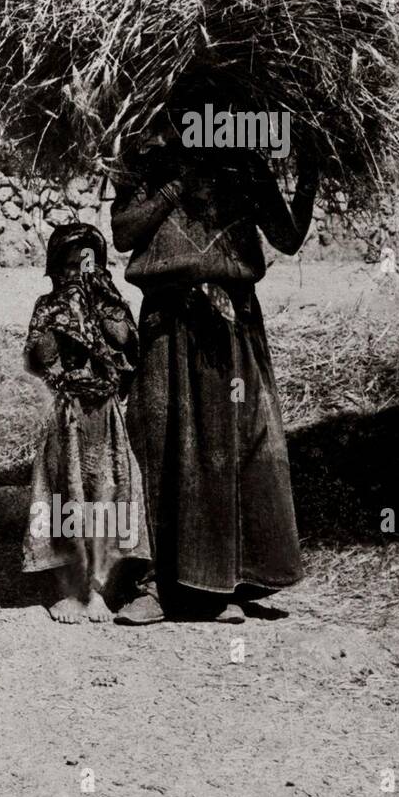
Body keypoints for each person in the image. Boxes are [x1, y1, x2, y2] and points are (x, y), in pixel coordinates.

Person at [111, 112, 319, 624]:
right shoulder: (149, 164)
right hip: (168, 320)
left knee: (232, 443)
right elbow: (122, 233)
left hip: (232, 321)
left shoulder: (246, 167)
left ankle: (226, 582)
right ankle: (153, 586)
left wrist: (310, 175)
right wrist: (177, 180)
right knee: (157, 443)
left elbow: (286, 237)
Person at [22, 222, 150, 622]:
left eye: (88, 264)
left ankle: (99, 589)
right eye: (71, 265)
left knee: (108, 494)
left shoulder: (111, 305)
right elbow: (39, 356)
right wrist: (64, 314)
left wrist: (100, 304)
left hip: (106, 415)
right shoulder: (49, 305)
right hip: (68, 415)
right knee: (65, 495)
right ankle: (68, 589)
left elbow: (127, 344)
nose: (79, 273)